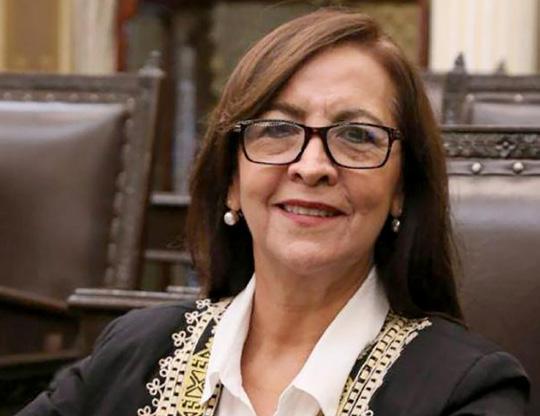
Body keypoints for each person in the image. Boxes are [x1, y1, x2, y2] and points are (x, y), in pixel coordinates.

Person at [19, 8, 529, 416]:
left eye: (357, 136)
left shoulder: (468, 391)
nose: (312, 167)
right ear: (232, 183)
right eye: (278, 130)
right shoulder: (134, 351)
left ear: (401, 190)